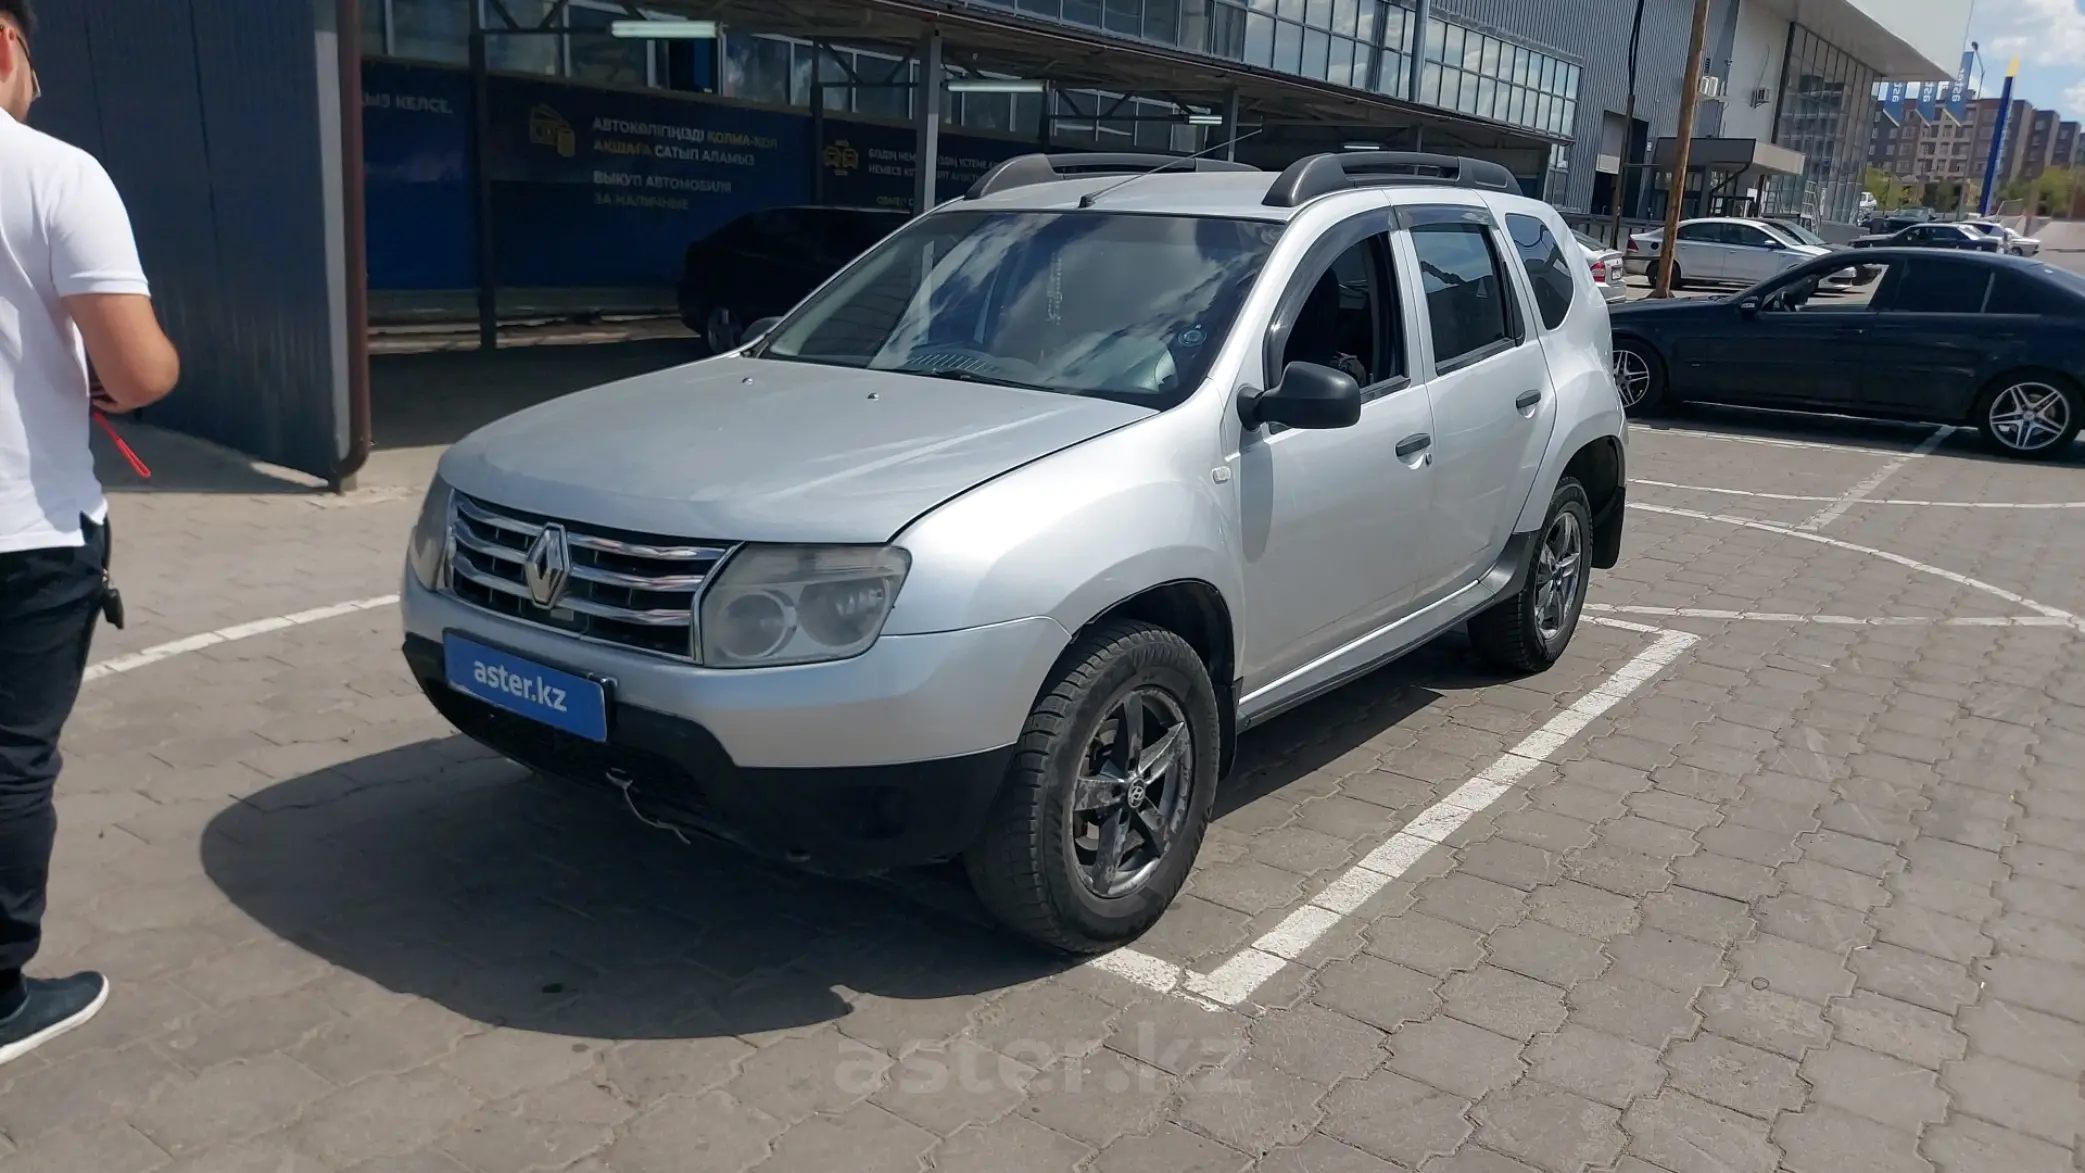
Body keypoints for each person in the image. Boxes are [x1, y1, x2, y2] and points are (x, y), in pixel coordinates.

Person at [0, 0, 180, 1065]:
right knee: (12, 760)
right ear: (6, 46)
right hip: (24, 527)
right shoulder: (55, 175)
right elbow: (141, 372)